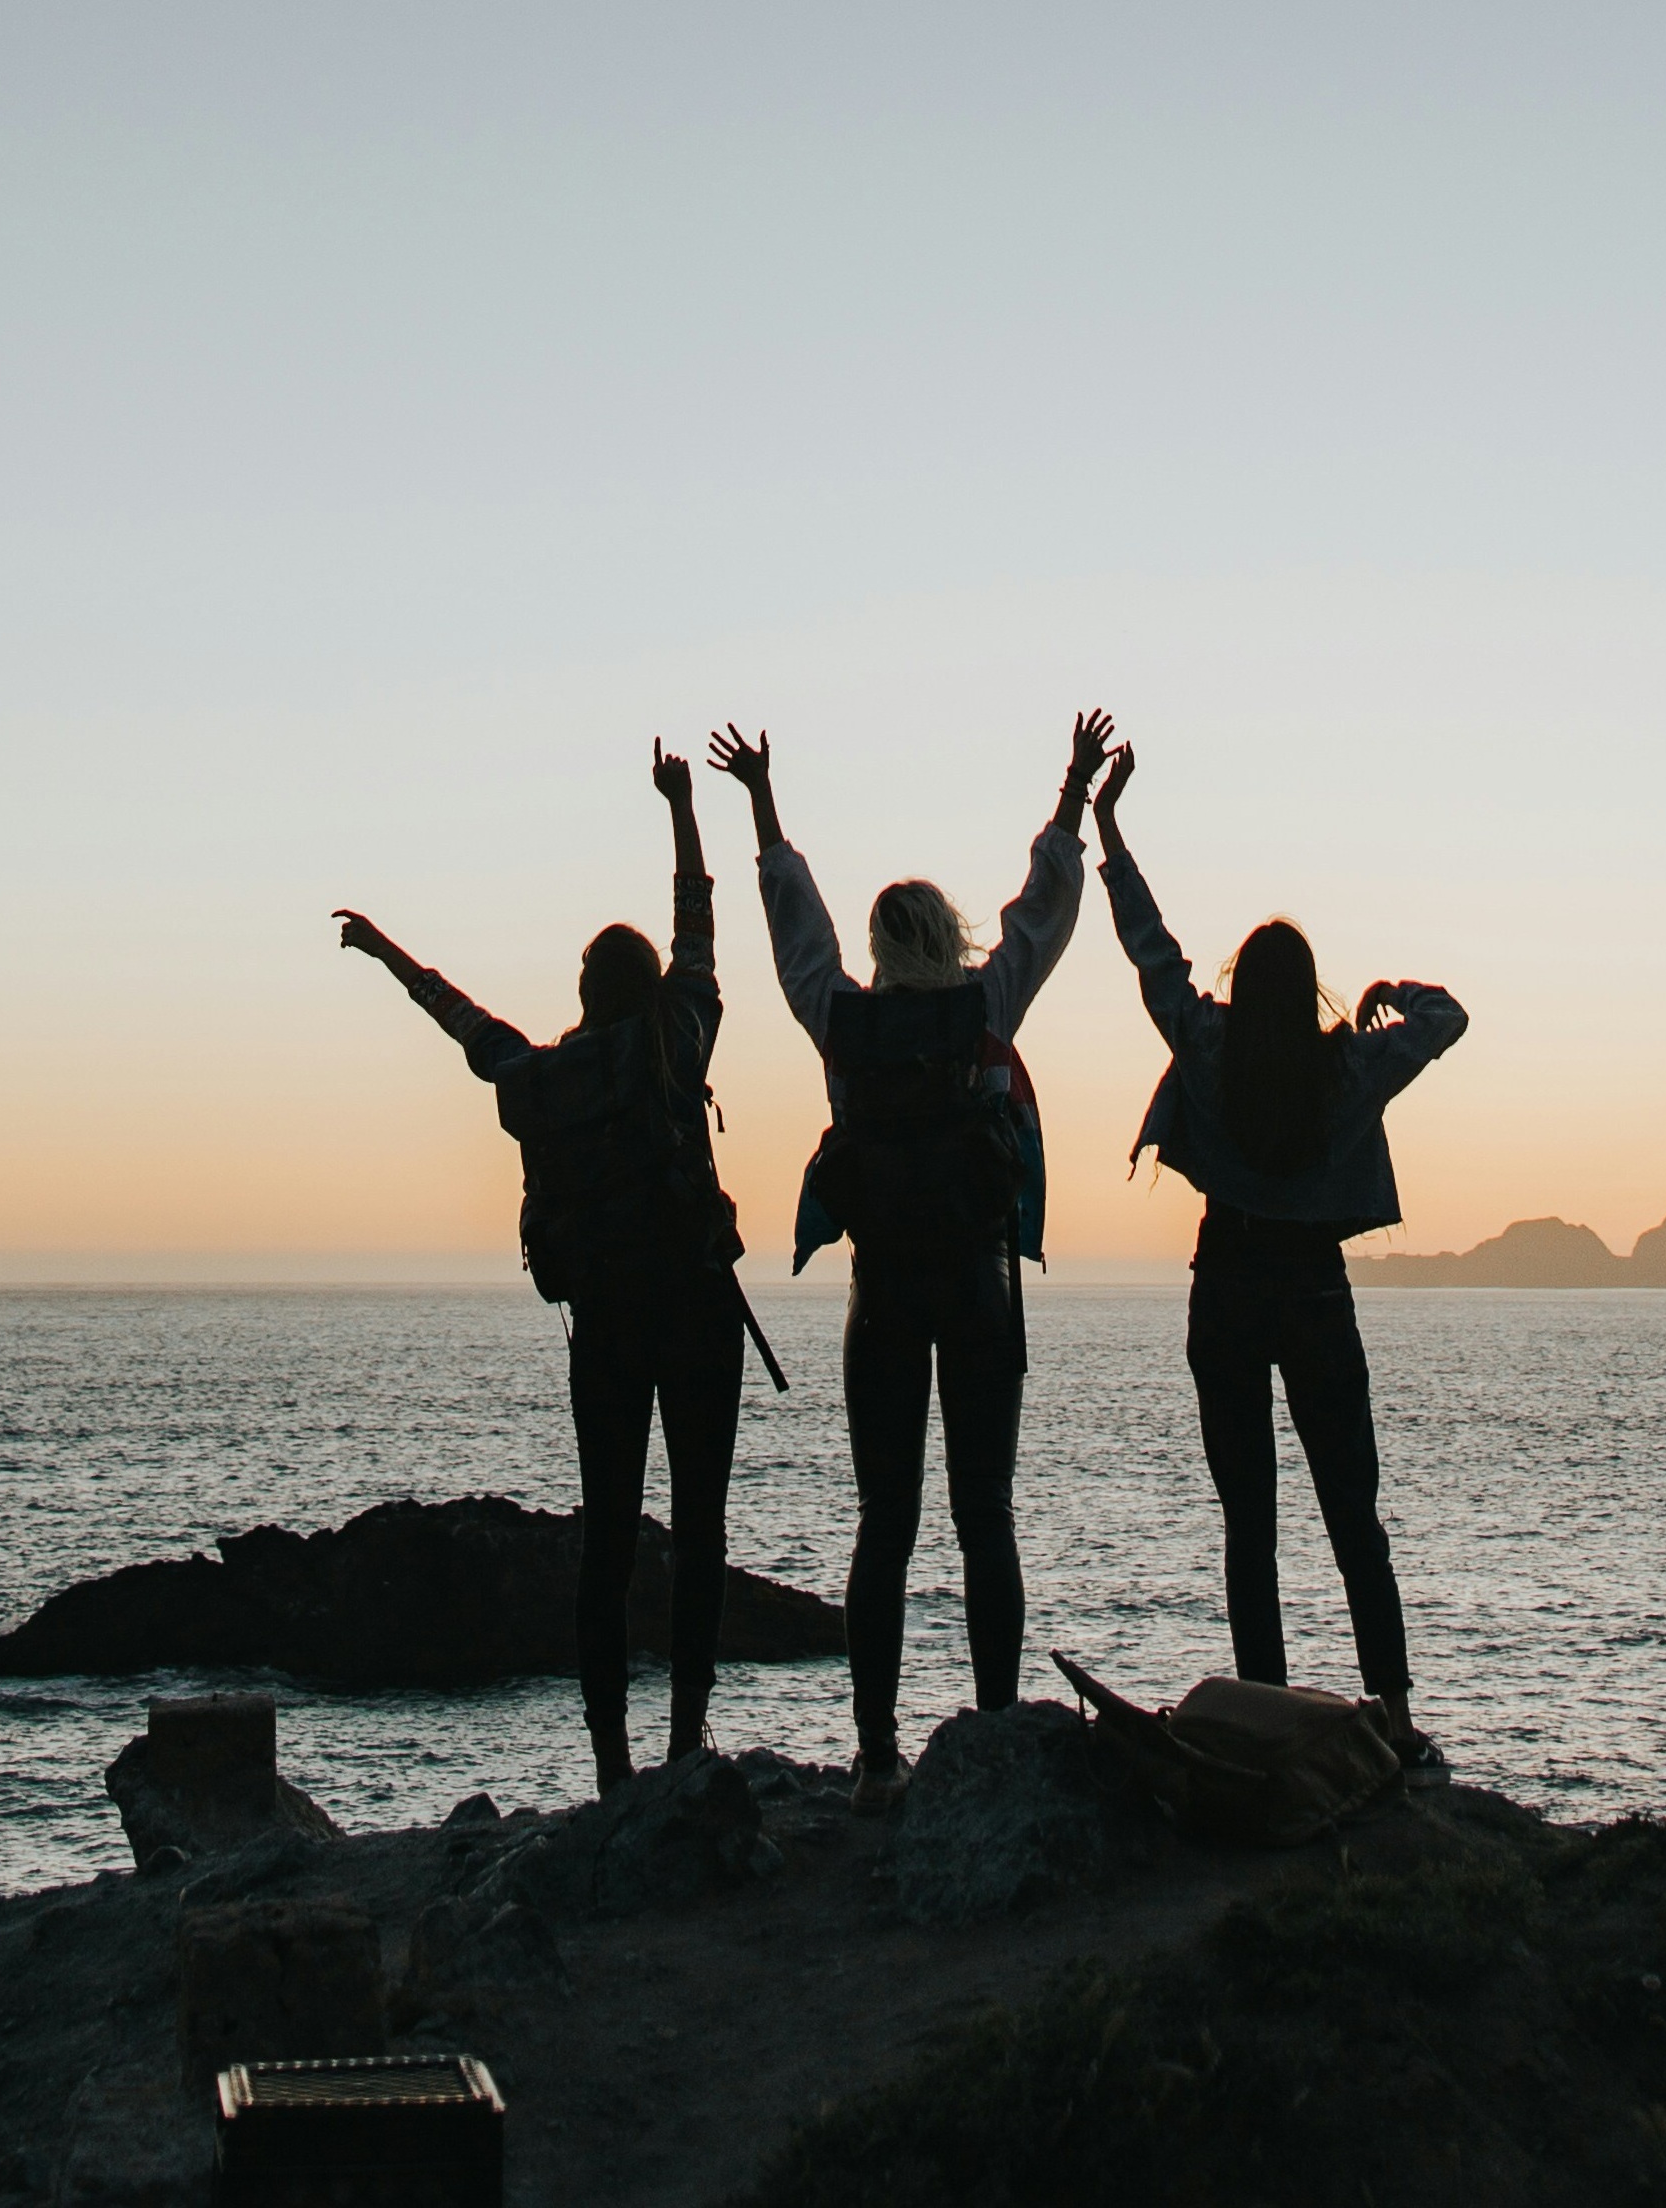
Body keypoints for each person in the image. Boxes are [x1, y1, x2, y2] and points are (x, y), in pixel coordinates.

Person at [707, 710, 1113, 1812]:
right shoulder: (988, 1008)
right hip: (981, 1292)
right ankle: (985, 1730)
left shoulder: (842, 1022)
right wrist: (1071, 789)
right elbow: (1047, 909)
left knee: (883, 1521)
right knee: (985, 1511)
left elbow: (794, 929)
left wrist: (762, 805)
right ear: (950, 934)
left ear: (882, 948)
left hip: (879, 1297)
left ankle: (876, 1756)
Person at [333, 742, 749, 1796]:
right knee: (699, 1531)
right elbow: (698, 928)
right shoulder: (678, 1041)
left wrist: (386, 955)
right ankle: (686, 1742)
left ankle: (610, 1766)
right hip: (697, 1312)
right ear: (649, 988)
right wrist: (682, 809)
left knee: (605, 1539)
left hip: (604, 1326)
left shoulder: (546, 1078)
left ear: (583, 991)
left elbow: (462, 1021)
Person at [1089, 742, 1464, 1770]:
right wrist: (1393, 987)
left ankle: (1257, 1710)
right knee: (1352, 1511)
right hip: (1312, 1288)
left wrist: (1109, 827)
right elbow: (1447, 1021)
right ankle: (1388, 1710)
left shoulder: (1203, 1045)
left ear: (1237, 985)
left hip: (1227, 1284)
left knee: (1245, 1518)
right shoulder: (1350, 1064)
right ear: (1307, 990)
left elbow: (1147, 947)